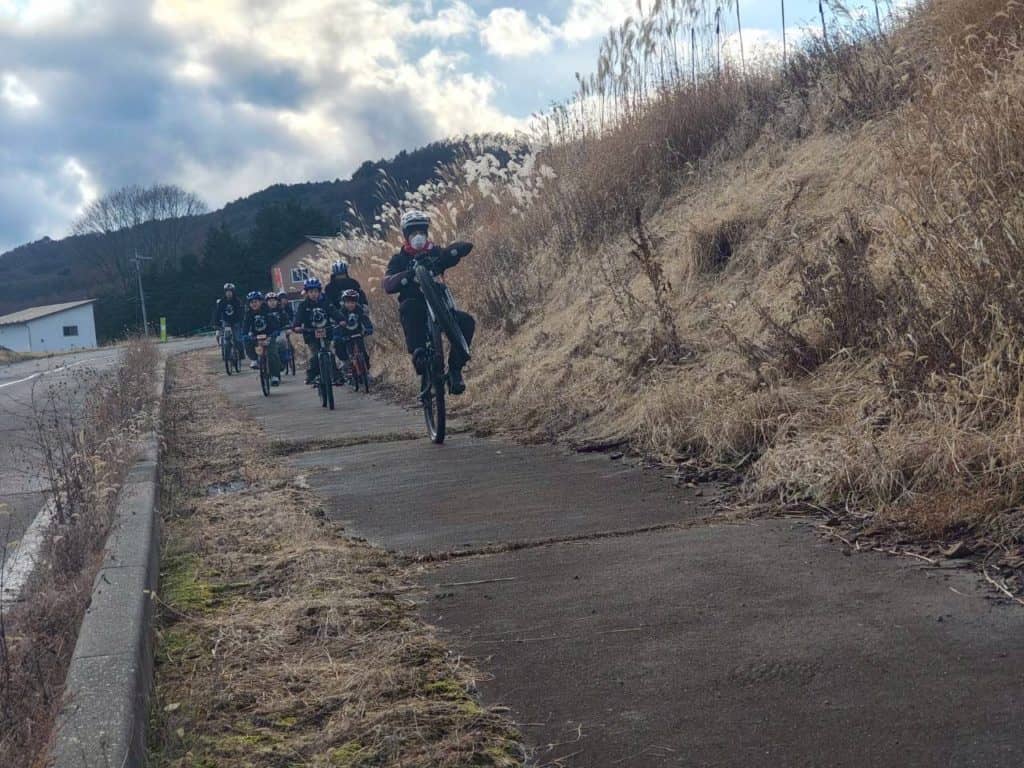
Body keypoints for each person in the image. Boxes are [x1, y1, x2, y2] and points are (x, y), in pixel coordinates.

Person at [382, 209, 475, 395]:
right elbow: (388, 284)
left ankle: (455, 370)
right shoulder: (399, 259)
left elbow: (449, 254)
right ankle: (418, 355)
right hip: (415, 304)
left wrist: (458, 249)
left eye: (421, 232)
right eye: (413, 233)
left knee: (466, 321)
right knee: (408, 308)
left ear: (426, 233)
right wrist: (408, 276)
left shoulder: (434, 252)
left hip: (441, 305)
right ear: (406, 236)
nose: (418, 237)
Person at [292, 277, 338, 385]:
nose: (313, 294)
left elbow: (334, 312)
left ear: (319, 292)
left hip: (326, 331)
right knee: (315, 356)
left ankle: (336, 376)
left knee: (330, 354)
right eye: (311, 292)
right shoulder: (303, 305)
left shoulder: (326, 303)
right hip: (311, 334)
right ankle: (312, 375)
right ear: (307, 293)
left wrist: (341, 320)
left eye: (316, 291)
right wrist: (296, 326)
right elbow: (298, 318)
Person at [241, 291, 282, 385]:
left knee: (272, 354)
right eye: (251, 302)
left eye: (256, 301)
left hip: (269, 335)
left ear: (261, 302)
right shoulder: (248, 314)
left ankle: (275, 376)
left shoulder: (267, 311)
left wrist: (275, 332)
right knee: (247, 343)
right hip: (255, 336)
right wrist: (244, 334)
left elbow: (275, 323)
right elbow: (245, 326)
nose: (254, 304)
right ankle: (254, 359)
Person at [333, 288, 374, 379]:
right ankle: (348, 368)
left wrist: (368, 329)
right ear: (344, 303)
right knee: (348, 352)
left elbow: (365, 320)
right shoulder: (341, 312)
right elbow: (337, 325)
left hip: (358, 333)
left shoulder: (359, 310)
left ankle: (367, 372)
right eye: (348, 302)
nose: (350, 304)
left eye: (352, 302)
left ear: (356, 302)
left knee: (363, 353)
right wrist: (337, 335)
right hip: (346, 335)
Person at [212, 283, 245, 358]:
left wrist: (241, 321)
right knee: (226, 338)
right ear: (225, 292)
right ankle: (226, 354)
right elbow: (217, 313)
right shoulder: (222, 301)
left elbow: (241, 312)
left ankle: (241, 353)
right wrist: (216, 323)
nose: (229, 293)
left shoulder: (237, 301)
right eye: (227, 291)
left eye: (230, 291)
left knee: (238, 339)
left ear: (233, 292)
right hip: (226, 322)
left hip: (236, 322)